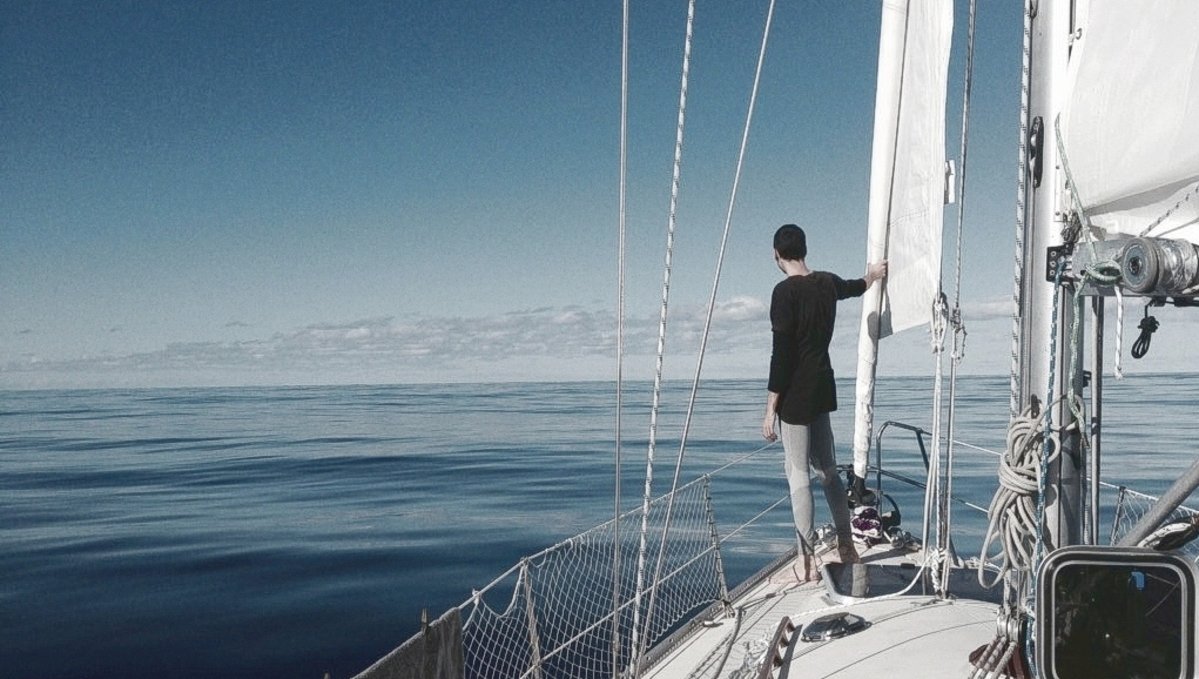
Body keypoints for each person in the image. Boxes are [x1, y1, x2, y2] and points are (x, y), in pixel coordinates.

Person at [761, 223, 886, 581]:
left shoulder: (784, 293)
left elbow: (781, 356)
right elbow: (856, 287)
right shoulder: (827, 283)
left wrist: (770, 408)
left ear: (777, 255)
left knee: (798, 474)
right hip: (822, 387)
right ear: (804, 249)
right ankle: (846, 545)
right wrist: (873, 275)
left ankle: (806, 561)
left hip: (795, 396)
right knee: (828, 471)